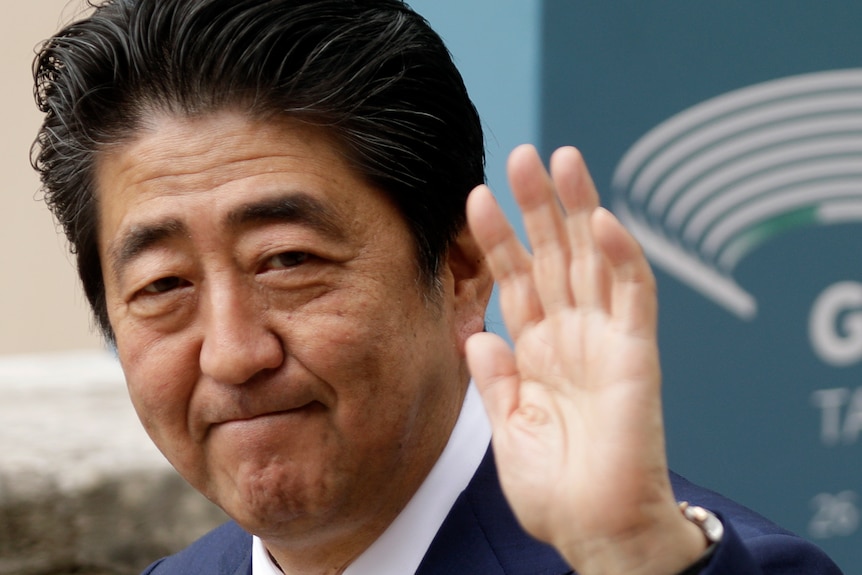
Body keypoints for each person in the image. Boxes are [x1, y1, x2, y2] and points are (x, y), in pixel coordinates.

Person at [31, 1, 842, 574]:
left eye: (287, 259)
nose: (236, 352)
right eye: (163, 283)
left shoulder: (667, 559)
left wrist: (632, 555)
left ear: (458, 270)